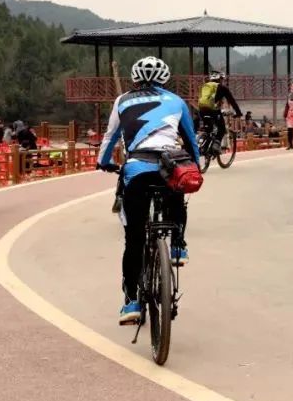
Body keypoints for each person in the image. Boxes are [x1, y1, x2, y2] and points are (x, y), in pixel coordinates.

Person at [96, 56, 200, 325]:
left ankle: (131, 302)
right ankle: (178, 246)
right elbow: (190, 139)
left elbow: (109, 138)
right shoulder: (176, 101)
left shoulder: (122, 101)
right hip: (170, 166)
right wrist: (196, 164)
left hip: (136, 167)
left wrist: (103, 162)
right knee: (177, 192)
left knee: (134, 237)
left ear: (135, 79)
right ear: (165, 79)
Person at [196, 72, 243, 142]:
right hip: (212, 110)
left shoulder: (204, 86)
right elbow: (232, 101)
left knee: (208, 129)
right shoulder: (222, 87)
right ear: (220, 79)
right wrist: (238, 113)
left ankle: (204, 147)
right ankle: (216, 145)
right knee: (221, 129)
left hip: (201, 109)